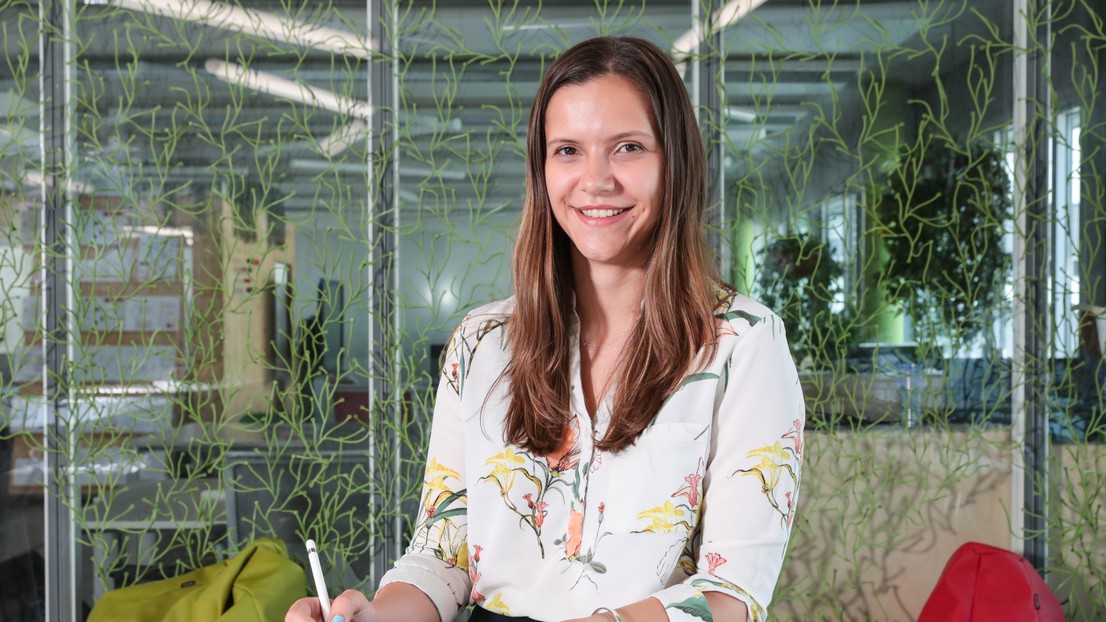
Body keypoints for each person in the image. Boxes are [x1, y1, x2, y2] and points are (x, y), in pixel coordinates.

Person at [287, 35, 804, 622]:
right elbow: (444, 554)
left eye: (628, 147)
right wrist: (375, 615)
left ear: (675, 162)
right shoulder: (480, 343)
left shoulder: (742, 343)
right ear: (542, 169)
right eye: (568, 151)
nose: (596, 180)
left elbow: (733, 594)